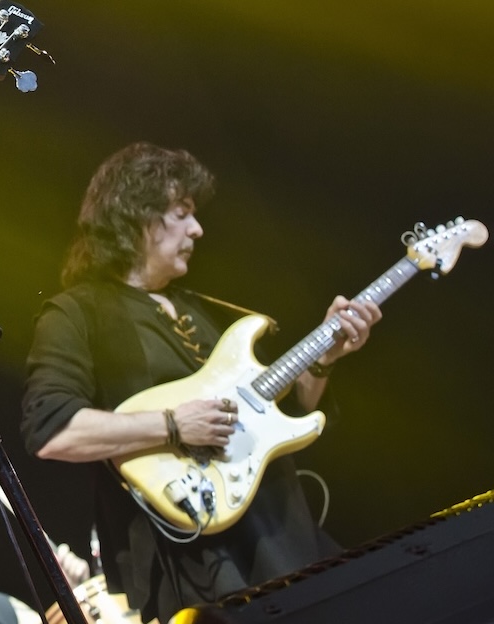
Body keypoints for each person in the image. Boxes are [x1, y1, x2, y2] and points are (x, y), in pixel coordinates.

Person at [19, 142, 381, 623]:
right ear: (135, 214)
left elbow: (287, 416)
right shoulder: (76, 313)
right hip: (196, 565)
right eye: (182, 212)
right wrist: (171, 425)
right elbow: (51, 430)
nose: (198, 228)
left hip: (285, 533)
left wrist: (324, 360)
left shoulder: (203, 309)